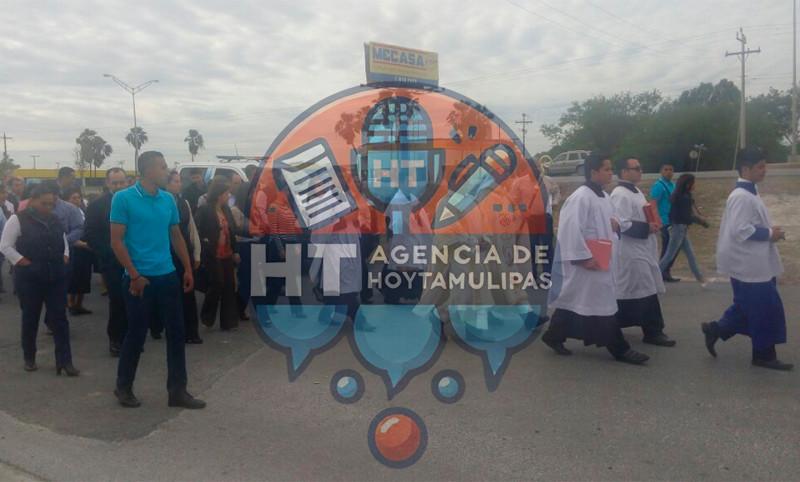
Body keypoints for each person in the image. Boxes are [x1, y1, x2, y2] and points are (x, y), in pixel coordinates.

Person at [110, 151, 204, 409]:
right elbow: (116, 241)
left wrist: (187, 268)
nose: (168, 172)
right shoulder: (123, 198)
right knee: (136, 333)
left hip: (167, 276)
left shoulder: (167, 200)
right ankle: (123, 386)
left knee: (176, 333)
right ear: (149, 171)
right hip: (139, 279)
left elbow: (175, 235)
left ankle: (177, 391)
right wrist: (134, 273)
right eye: (163, 168)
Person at [541, 154, 649, 364]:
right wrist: (582, 258)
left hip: (601, 257)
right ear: (593, 172)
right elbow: (569, 229)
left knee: (576, 299)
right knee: (602, 303)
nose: (611, 173)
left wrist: (617, 223)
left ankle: (553, 335)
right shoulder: (580, 197)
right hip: (587, 260)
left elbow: (615, 218)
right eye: (607, 169)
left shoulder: (604, 196)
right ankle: (620, 348)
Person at [702, 147, 791, 370]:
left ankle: (716, 329)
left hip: (755, 261)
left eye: (764, 165)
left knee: (747, 306)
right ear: (745, 168)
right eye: (760, 166)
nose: (765, 170)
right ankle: (763, 355)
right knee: (764, 308)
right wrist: (771, 234)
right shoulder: (741, 196)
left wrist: (770, 231)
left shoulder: (750, 192)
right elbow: (741, 230)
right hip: (748, 264)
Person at [0, 184, 79, 375]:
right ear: (33, 201)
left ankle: (65, 361)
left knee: (60, 319)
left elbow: (63, 240)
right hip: (30, 278)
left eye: (51, 204)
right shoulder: (17, 219)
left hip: (56, 276)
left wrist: (65, 255)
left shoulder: (54, 219)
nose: (48, 207)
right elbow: (5, 246)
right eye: (44, 203)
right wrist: (23, 262)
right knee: (31, 317)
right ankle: (30, 357)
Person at [610, 158, 675, 347]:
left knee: (639, 289)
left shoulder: (635, 191)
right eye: (636, 169)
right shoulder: (620, 194)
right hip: (630, 251)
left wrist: (652, 224)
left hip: (641, 248)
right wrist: (647, 228)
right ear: (623, 172)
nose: (640, 171)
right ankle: (653, 330)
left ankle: (614, 325)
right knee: (644, 289)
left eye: (640, 168)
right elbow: (620, 223)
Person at [84, 168, 129, 356]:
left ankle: (130, 338)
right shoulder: (97, 205)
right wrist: (108, 253)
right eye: (115, 183)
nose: (118, 186)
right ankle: (116, 340)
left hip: (136, 259)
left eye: (121, 182)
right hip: (112, 263)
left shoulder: (133, 202)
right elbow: (90, 235)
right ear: (108, 183)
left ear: (127, 182)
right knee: (118, 302)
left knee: (134, 301)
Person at [195, 178, 240, 331]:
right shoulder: (205, 210)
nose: (228, 196)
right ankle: (207, 316)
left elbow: (232, 231)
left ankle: (228, 321)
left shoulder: (226, 210)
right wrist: (205, 242)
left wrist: (235, 250)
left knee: (229, 285)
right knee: (217, 283)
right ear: (219, 194)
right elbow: (197, 230)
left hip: (227, 252)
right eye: (226, 193)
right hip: (212, 253)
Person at [165, 170, 203, 344]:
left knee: (188, 294)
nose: (179, 184)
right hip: (166, 254)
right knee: (170, 295)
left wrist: (196, 253)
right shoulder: (160, 203)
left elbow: (191, 228)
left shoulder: (183, 203)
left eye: (180, 181)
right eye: (175, 181)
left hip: (184, 252)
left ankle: (191, 332)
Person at [658, 173, 709, 284]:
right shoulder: (684, 198)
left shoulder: (679, 196)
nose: (695, 185)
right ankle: (652, 278)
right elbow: (687, 216)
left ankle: (700, 278)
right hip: (679, 229)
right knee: (669, 256)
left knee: (690, 255)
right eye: (693, 183)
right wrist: (702, 222)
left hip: (679, 228)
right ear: (688, 184)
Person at [63, 187, 94, 315]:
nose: (77, 200)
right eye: (73, 198)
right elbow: (66, 236)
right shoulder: (66, 214)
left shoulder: (82, 211)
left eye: (78, 197)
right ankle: (71, 304)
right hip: (73, 250)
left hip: (85, 251)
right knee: (73, 280)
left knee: (84, 278)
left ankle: (79, 304)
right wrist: (82, 244)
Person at [650, 163, 679, 282]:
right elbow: (653, 204)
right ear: (661, 172)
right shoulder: (659, 186)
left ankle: (665, 271)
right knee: (668, 248)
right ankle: (662, 272)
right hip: (664, 221)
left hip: (673, 220)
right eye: (666, 169)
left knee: (672, 248)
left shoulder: (673, 185)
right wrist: (658, 220)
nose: (668, 172)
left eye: (671, 170)